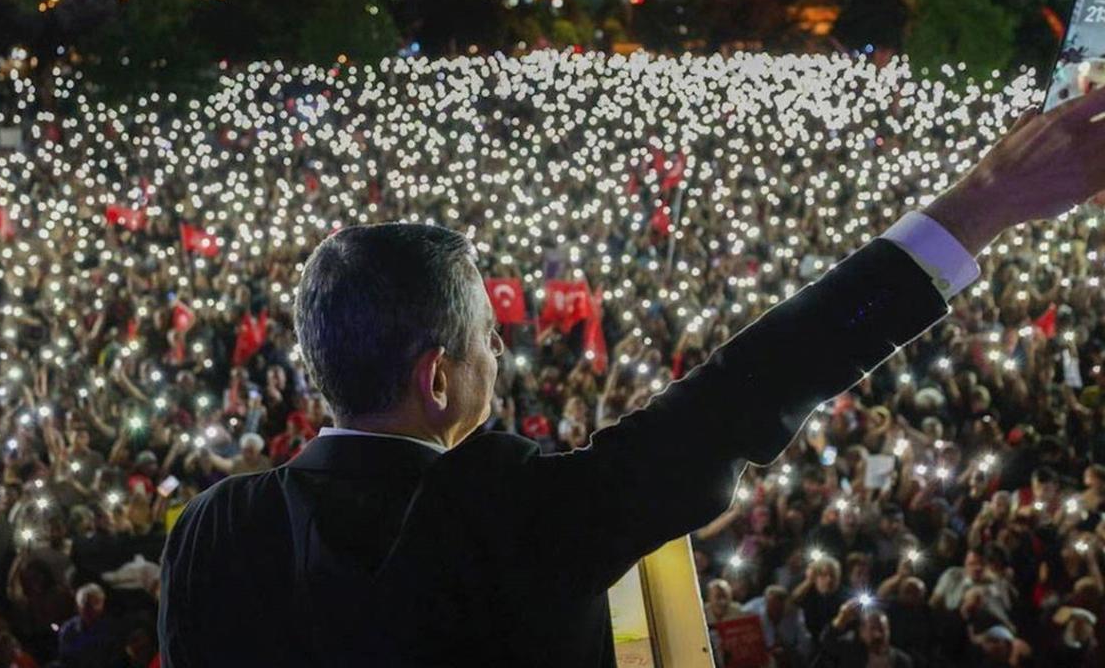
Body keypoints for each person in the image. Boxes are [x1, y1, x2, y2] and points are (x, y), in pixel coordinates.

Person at [158, 89, 1105, 666]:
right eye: (489, 339)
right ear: (436, 379)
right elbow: (747, 388)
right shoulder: (510, 513)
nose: (505, 356)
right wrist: (983, 203)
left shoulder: (211, 531)